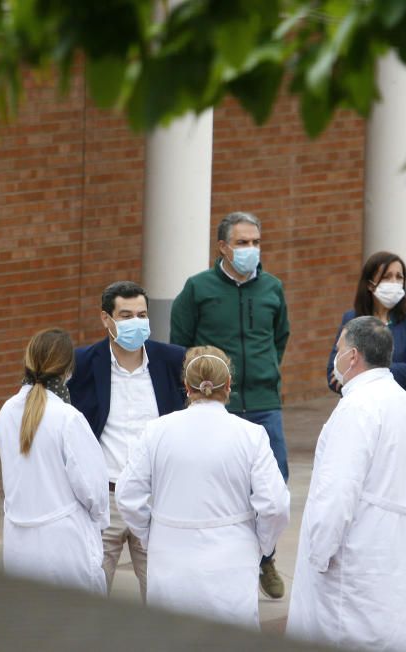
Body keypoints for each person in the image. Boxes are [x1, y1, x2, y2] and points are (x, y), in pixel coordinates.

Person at [115, 346, 290, 628]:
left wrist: (151, 535)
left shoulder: (156, 431)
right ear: (229, 385)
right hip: (232, 558)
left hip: (170, 557)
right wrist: (261, 544)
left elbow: (127, 495)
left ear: (186, 386)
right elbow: (275, 505)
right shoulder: (251, 435)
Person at [169, 211, 291, 599]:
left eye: (255, 242)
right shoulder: (197, 289)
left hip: (264, 403)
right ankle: (221, 556)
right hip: (212, 401)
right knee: (215, 484)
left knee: (274, 484)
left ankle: (264, 557)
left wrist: (266, 371)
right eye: (241, 242)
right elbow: (180, 344)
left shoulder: (272, 287)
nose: (250, 249)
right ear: (222, 247)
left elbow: (279, 338)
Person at [287, 316, 406, 651]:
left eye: (339, 347)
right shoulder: (402, 401)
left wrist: (319, 554)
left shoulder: (358, 408)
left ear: (353, 356)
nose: (336, 354)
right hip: (389, 549)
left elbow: (337, 490)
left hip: (355, 554)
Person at [67, 281, 186, 600]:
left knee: (165, 598)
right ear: (106, 319)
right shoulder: (82, 365)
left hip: (156, 501)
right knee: (88, 596)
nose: (136, 322)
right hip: (104, 500)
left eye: (142, 314)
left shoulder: (172, 361)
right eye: (126, 315)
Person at [0, 328, 109, 594]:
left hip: (18, 542)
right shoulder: (68, 418)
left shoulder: (6, 412)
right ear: (68, 369)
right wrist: (99, 520)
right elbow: (94, 491)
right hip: (66, 544)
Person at [326, 251, 406, 446]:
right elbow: (334, 373)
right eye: (387, 276)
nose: (394, 282)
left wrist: (361, 370)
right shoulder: (352, 319)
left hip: (403, 415)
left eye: (399, 277)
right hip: (361, 415)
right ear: (370, 283)